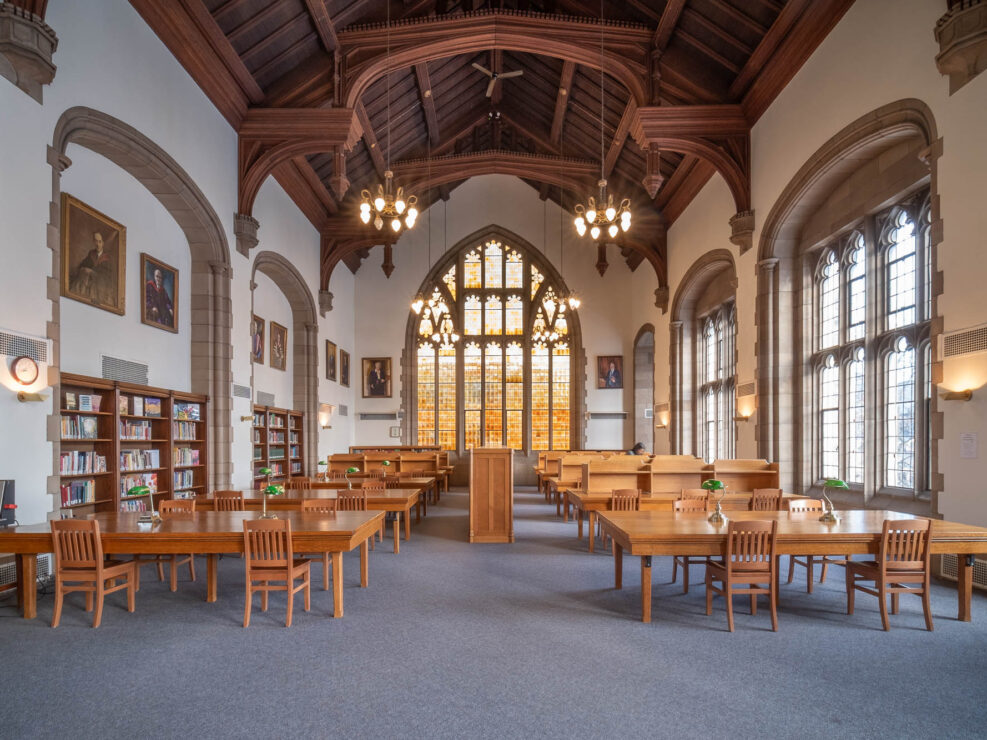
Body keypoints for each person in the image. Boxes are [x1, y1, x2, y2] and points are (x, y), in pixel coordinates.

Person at [70, 231, 114, 305]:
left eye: (99, 241)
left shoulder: (107, 257)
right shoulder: (91, 253)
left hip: (101, 281)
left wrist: (91, 272)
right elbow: (83, 264)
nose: (97, 244)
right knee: (82, 274)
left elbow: (106, 274)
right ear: (94, 242)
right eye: (96, 241)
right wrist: (84, 269)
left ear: (103, 243)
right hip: (89, 278)